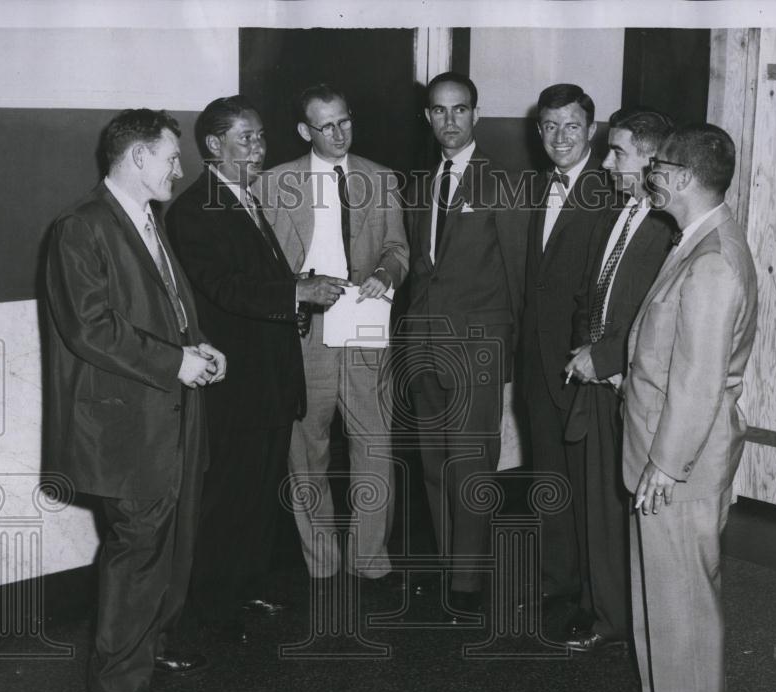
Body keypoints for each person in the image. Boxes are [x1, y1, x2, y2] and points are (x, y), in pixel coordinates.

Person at [44, 108, 226, 692]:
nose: (180, 168)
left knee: (172, 543)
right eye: (172, 157)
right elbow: (90, 328)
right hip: (129, 424)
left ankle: (155, 643)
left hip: (172, 414)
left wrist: (199, 345)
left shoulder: (147, 218)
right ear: (138, 157)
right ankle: (116, 686)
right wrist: (176, 362)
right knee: (138, 550)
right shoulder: (81, 226)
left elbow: (167, 307)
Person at [166, 96, 336, 643]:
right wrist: (296, 292)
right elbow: (224, 288)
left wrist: (295, 291)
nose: (259, 148)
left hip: (271, 378)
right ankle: (213, 606)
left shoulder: (245, 198)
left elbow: (256, 279)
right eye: (247, 138)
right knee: (229, 497)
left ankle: (245, 586)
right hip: (236, 384)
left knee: (261, 492)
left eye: (261, 136)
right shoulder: (194, 209)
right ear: (214, 145)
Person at [617, 123, 758, 692]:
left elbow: (699, 381)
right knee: (659, 577)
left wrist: (667, 464)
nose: (649, 177)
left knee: (684, 583)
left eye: (656, 168)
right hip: (663, 439)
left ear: (677, 177)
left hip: (682, 452)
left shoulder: (714, 261)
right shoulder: (699, 239)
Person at [258, 84, 409, 587]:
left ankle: (369, 558)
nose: (340, 133)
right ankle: (321, 562)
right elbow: (263, 268)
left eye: (345, 121)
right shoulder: (273, 184)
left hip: (363, 320)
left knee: (375, 445)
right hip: (306, 330)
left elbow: (398, 249)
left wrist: (386, 273)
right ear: (305, 131)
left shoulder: (381, 179)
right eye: (327, 126)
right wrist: (299, 287)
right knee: (307, 451)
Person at [405, 72, 529, 621]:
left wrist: (511, 350)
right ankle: (446, 562)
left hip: (478, 343)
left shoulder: (502, 182)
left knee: (472, 463)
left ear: (476, 114)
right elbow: (420, 267)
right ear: (427, 117)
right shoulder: (421, 182)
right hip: (423, 340)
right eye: (439, 110)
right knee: (434, 463)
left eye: (459, 110)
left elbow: (518, 273)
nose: (449, 120)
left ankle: (468, 577)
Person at [562, 107, 677, 651]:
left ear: (652, 161)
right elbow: (594, 293)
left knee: (623, 509)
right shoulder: (618, 212)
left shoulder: (669, 230)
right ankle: (601, 609)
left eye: (618, 152)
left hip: (630, 386)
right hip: (595, 382)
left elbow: (652, 319)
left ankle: (620, 620)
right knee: (598, 505)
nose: (606, 164)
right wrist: (586, 352)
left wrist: (606, 359)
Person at [518, 83, 610, 630]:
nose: (559, 137)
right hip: (536, 360)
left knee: (585, 481)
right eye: (550, 126)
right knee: (547, 474)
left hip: (581, 362)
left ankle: (594, 598)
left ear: (591, 130)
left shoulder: (610, 191)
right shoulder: (534, 186)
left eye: (571, 126)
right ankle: (556, 582)